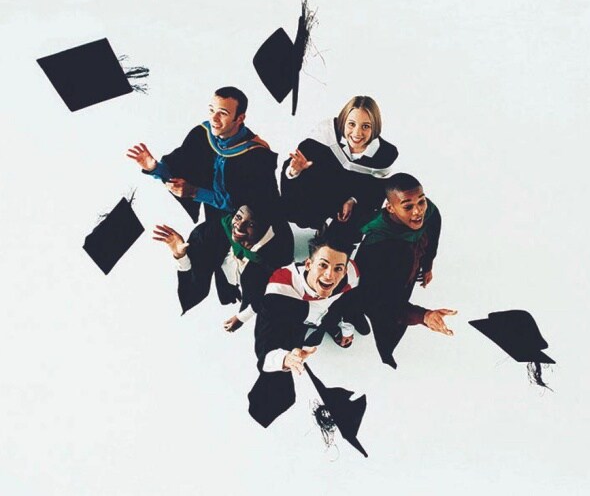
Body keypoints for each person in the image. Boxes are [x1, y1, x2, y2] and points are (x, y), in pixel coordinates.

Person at [248, 233, 361, 427]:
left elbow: (348, 301)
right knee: (277, 381)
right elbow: (265, 339)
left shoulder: (351, 274)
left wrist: (346, 326)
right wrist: (284, 359)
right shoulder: (281, 287)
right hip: (293, 321)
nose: (329, 275)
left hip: (325, 315)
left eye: (338, 269)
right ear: (308, 264)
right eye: (323, 265)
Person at [127, 86, 280, 222]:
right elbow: (179, 168)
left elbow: (246, 203)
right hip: (213, 212)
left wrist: (194, 192)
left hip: (251, 223)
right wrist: (155, 167)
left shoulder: (257, 155)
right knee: (199, 246)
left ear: (239, 118)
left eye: (223, 113)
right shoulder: (201, 134)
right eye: (212, 110)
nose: (214, 119)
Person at [354, 173, 457, 368]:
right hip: (377, 280)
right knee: (373, 309)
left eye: (421, 201)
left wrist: (427, 265)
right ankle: (353, 316)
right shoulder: (379, 245)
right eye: (408, 206)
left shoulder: (431, 212)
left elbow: (432, 240)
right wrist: (423, 316)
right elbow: (380, 301)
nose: (418, 212)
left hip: (407, 273)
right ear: (390, 208)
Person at [152, 204, 293, 332]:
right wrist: (180, 255)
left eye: (251, 223)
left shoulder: (276, 255)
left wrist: (242, 317)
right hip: (227, 271)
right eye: (238, 217)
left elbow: (264, 294)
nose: (239, 226)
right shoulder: (217, 230)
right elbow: (196, 274)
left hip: (256, 275)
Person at [280, 95, 398, 241]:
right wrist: (294, 171)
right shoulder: (325, 135)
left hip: (351, 200)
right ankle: (318, 224)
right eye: (351, 124)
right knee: (298, 203)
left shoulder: (384, 154)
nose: (357, 133)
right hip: (322, 191)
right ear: (343, 122)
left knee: (345, 235)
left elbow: (376, 190)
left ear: (375, 127)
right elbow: (295, 169)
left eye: (366, 126)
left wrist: (354, 200)